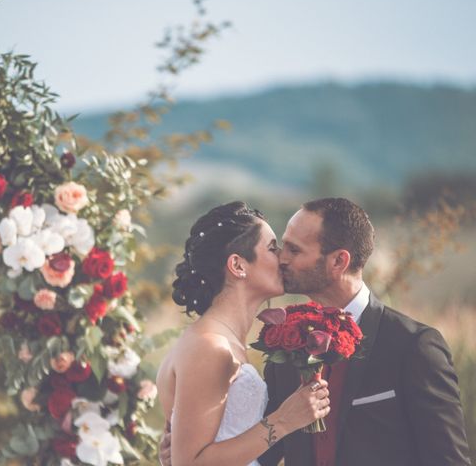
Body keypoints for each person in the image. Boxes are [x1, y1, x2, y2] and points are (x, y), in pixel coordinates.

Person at [160, 197, 471, 466]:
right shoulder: (284, 345)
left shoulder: (412, 346)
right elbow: (264, 450)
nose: (282, 258)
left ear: (338, 261)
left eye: (292, 250)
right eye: (276, 247)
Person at [155, 201, 331, 466]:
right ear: (238, 265)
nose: (283, 258)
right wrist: (283, 421)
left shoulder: (224, 341)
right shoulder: (210, 347)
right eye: (272, 248)